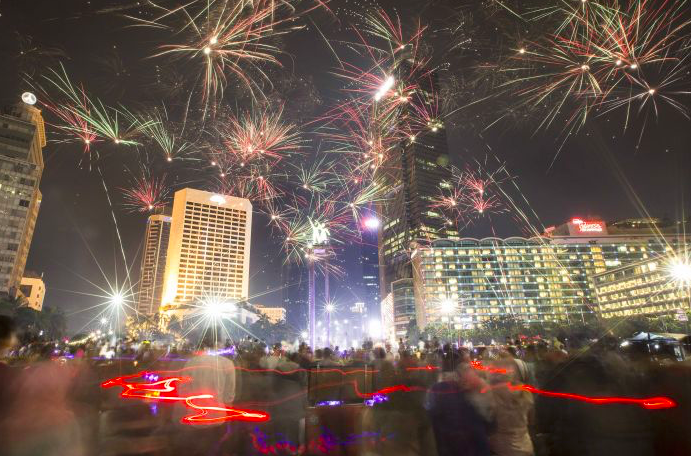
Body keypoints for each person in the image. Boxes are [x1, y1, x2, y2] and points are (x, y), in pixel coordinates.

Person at [425, 350, 494, 456]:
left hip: (449, 447)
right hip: (472, 448)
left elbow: (432, 417)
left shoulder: (437, 389)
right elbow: (490, 424)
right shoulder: (475, 388)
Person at [487, 354, 535, 456]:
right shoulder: (525, 392)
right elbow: (532, 421)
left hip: (501, 449)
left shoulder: (492, 393)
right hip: (525, 447)